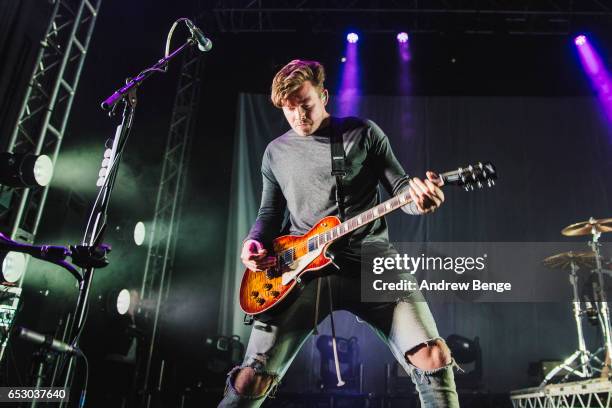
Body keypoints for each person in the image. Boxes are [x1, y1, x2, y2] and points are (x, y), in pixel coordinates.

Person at [218, 59, 459, 407]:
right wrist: (252, 242)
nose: (300, 116)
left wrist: (419, 200)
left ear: (324, 95)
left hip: (372, 263)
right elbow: (269, 214)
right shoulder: (275, 153)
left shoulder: (363, 133)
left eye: (307, 105)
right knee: (248, 378)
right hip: (301, 271)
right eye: (290, 109)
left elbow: (402, 189)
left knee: (434, 358)